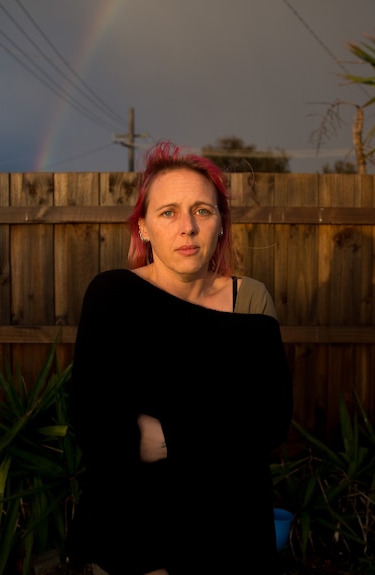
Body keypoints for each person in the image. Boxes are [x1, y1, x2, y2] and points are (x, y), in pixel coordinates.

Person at [68, 141, 293, 575]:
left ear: (221, 225)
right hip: (133, 537)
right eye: (168, 212)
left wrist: (170, 435)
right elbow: (99, 428)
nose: (187, 227)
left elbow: (268, 423)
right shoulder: (113, 296)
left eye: (202, 211)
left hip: (233, 532)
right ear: (144, 228)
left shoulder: (250, 299)